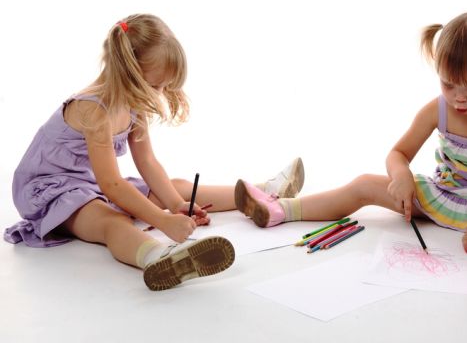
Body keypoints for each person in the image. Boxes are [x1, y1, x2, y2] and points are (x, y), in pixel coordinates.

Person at [234, 12, 467, 303]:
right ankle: (280, 210)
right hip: (449, 197)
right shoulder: (437, 109)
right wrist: (401, 175)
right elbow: (398, 153)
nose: (459, 98)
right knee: (364, 184)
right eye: (449, 84)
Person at [4, 14, 305, 291]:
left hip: (88, 183)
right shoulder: (92, 110)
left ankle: (264, 191)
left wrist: (175, 205)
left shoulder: (133, 102)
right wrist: (163, 221)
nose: (159, 93)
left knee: (177, 186)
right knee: (112, 221)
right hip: (50, 192)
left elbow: (147, 161)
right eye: (156, 85)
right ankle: (159, 257)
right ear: (128, 72)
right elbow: (112, 184)